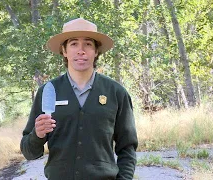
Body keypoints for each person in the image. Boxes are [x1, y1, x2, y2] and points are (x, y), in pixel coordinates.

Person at [21, 18, 138, 180]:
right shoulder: (48, 92)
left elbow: (127, 147)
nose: (81, 50)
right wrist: (37, 134)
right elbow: (29, 152)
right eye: (74, 44)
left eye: (88, 44)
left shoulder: (116, 93)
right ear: (64, 51)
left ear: (96, 51)